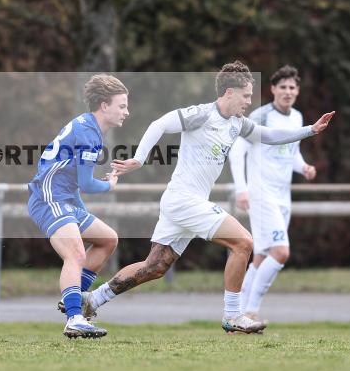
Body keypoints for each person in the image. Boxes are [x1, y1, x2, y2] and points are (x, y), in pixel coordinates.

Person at [86, 61, 334, 333]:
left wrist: (310, 130)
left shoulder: (237, 123)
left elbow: (268, 135)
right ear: (229, 93)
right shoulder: (202, 114)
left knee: (155, 266)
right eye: (246, 96)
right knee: (243, 242)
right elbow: (160, 124)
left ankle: (92, 300)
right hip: (184, 200)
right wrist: (140, 159)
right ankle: (233, 315)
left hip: (183, 203)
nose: (249, 101)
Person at [27, 75, 127, 339]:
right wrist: (110, 185)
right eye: (122, 106)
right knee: (76, 254)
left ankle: (75, 300)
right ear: (104, 106)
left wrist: (81, 208)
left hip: (66, 199)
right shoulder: (88, 134)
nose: (126, 112)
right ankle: (74, 319)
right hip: (50, 198)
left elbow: (76, 183)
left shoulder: (88, 126)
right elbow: (87, 183)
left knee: (108, 239)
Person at [228, 65, 317, 329]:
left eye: (292, 87)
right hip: (261, 193)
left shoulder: (297, 117)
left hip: (283, 197)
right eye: (283, 87)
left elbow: (291, 153)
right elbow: (237, 152)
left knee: (262, 256)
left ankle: (237, 315)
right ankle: (251, 312)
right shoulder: (261, 116)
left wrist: (304, 167)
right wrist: (241, 188)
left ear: (297, 91)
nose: (287, 92)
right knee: (280, 252)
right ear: (273, 89)